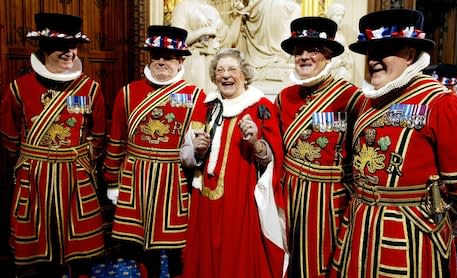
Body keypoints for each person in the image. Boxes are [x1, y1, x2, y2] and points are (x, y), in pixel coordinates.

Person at [329, 9, 457, 277]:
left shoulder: (442, 104)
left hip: (410, 236)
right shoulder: (367, 100)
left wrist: (432, 214)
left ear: (410, 54)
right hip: (359, 227)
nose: (373, 60)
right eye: (369, 52)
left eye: (384, 50)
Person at [0, 13, 106, 277]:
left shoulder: (91, 89)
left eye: (73, 46)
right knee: (38, 254)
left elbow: (99, 133)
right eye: (61, 46)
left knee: (80, 254)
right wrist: (28, 163)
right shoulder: (19, 88)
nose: (69, 52)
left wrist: (82, 160)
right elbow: (9, 134)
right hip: (34, 178)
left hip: (76, 178)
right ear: (44, 47)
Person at [102, 25, 206, 277]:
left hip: (175, 178)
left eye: (168, 57)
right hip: (135, 176)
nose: (161, 61)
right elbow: (116, 140)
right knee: (138, 245)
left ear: (180, 60)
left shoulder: (196, 96)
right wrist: (113, 181)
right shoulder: (127, 93)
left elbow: (196, 145)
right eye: (156, 55)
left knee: (176, 247)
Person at [180, 48, 287, 278]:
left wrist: (256, 140)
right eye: (220, 70)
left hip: (242, 201)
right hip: (205, 200)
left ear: (245, 75)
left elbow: (272, 158)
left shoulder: (261, 108)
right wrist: (198, 151)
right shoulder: (206, 106)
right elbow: (186, 156)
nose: (225, 75)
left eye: (231, 69)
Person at [275, 17, 363, 277]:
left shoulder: (351, 97)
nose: (303, 56)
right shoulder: (284, 96)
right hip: (290, 193)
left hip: (329, 199)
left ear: (328, 56)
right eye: (298, 51)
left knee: (323, 264)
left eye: (312, 50)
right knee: (289, 261)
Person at [170, 0, 228, 93]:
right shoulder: (183, 6)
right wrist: (204, 31)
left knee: (213, 99)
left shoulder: (213, 8)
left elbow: (224, 39)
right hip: (193, 61)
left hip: (213, 62)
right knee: (191, 99)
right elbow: (178, 40)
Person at [326, 3, 354, 82]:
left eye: (342, 16)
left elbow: (347, 56)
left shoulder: (341, 35)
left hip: (341, 70)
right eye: (338, 15)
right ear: (331, 16)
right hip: (331, 70)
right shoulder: (326, 35)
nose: (340, 18)